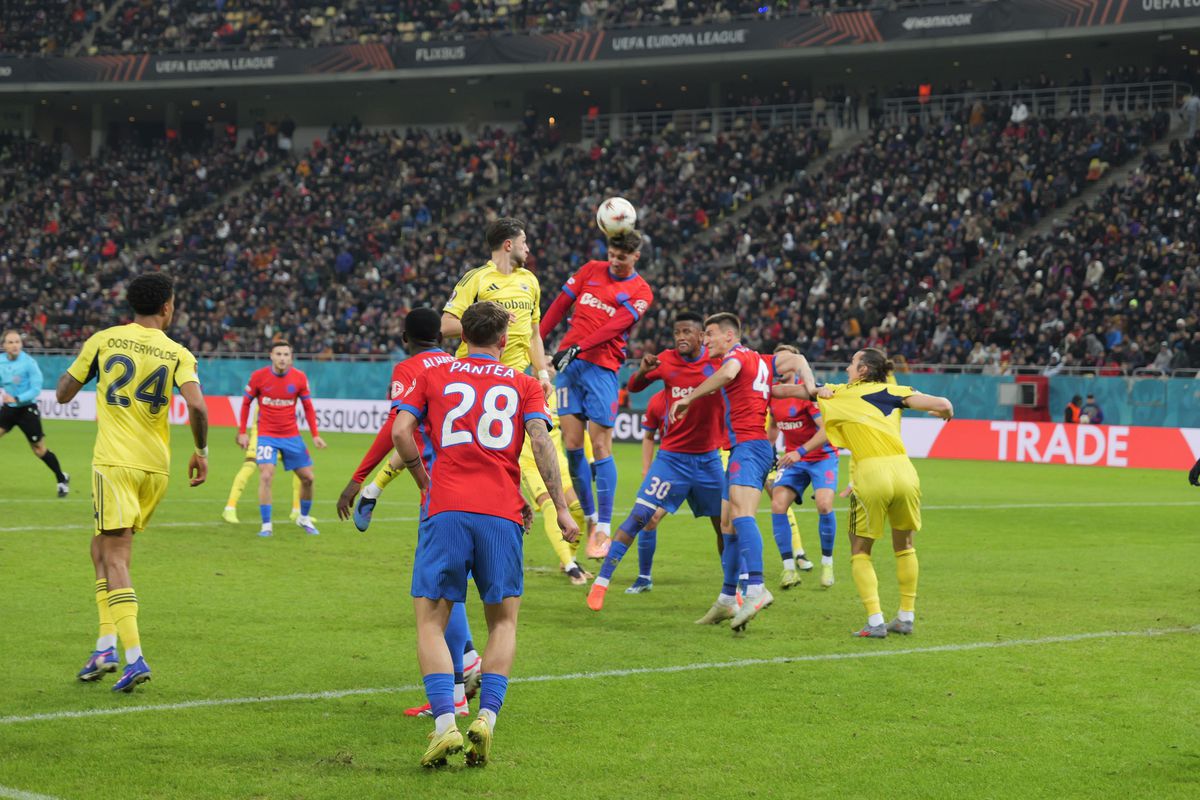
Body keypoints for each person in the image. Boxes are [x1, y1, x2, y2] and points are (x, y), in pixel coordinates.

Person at [393, 301, 579, 768]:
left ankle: (444, 728)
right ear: (503, 340)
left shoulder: (435, 376)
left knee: (431, 622)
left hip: (447, 509)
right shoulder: (524, 384)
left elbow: (400, 433)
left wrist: (423, 479)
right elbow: (539, 442)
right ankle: (487, 720)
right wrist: (559, 507)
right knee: (503, 622)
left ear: (462, 336)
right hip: (502, 514)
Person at [56, 272, 209, 692]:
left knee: (116, 555)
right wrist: (202, 451)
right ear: (166, 307)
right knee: (100, 545)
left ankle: (133, 656)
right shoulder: (178, 351)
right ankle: (104, 645)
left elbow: (64, 392)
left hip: (114, 463)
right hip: (155, 469)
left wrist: (85, 370)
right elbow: (197, 405)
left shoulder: (104, 340)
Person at [772, 348, 953, 638]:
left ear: (863, 370)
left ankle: (875, 620)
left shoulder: (839, 393)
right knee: (905, 545)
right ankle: (906, 616)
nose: (847, 368)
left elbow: (785, 391)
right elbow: (943, 403)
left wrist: (759, 385)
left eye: (852, 363)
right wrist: (945, 411)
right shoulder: (895, 390)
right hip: (905, 472)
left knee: (860, 550)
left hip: (871, 474)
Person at [671, 313, 816, 633]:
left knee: (741, 516)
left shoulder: (736, 357)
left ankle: (756, 588)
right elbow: (798, 359)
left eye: (709, 334)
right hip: (743, 448)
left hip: (751, 447)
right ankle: (726, 598)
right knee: (726, 523)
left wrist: (689, 399)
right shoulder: (762, 360)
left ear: (729, 336)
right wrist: (810, 387)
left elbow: (727, 374)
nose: (705, 339)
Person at [586, 311, 726, 611]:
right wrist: (641, 370)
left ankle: (732, 590)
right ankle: (601, 582)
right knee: (640, 516)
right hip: (672, 459)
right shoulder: (666, 359)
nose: (680, 338)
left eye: (687, 332)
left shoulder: (719, 362)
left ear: (702, 336)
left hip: (708, 460)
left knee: (724, 525)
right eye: (677, 332)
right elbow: (635, 387)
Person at [540, 229, 654, 559]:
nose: (615, 262)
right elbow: (559, 306)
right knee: (572, 445)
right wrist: (537, 342)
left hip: (602, 369)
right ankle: (591, 520)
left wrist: (577, 347)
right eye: (612, 255)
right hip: (570, 366)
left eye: (622, 257)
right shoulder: (590, 269)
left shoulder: (640, 291)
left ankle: (604, 525)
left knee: (601, 445)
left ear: (636, 256)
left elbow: (615, 326)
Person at [237, 342, 326, 537]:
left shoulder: (299, 378)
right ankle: (266, 525)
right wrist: (242, 431)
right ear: (271, 355)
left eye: (286, 354)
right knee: (266, 475)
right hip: (267, 436)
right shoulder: (259, 377)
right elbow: (245, 403)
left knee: (308, 478)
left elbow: (308, 407)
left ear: (291, 358)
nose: (282, 358)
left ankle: (303, 518)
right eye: (278, 354)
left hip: (291, 436)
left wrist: (315, 435)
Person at [769, 344, 838, 590]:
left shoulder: (808, 395)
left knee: (824, 504)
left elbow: (828, 431)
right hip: (793, 460)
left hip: (821, 456)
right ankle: (789, 569)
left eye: (786, 362)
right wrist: (769, 450)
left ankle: (827, 563)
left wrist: (799, 452)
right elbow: (775, 427)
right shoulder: (773, 395)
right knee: (777, 504)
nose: (781, 366)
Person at [1, 330, 69, 497]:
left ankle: (61, 478)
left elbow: (36, 389)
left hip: (26, 410)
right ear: (4, 346)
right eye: (10, 342)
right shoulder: (1, 362)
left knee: (39, 450)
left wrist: (16, 398)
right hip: (9, 409)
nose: (14, 345)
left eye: (17, 341)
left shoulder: (29, 363)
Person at [222, 402, 302, 524]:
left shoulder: (285, 390)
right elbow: (247, 402)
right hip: (262, 435)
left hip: (283, 436)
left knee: (300, 468)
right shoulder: (264, 387)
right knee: (249, 467)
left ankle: (297, 511)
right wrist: (242, 432)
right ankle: (229, 508)